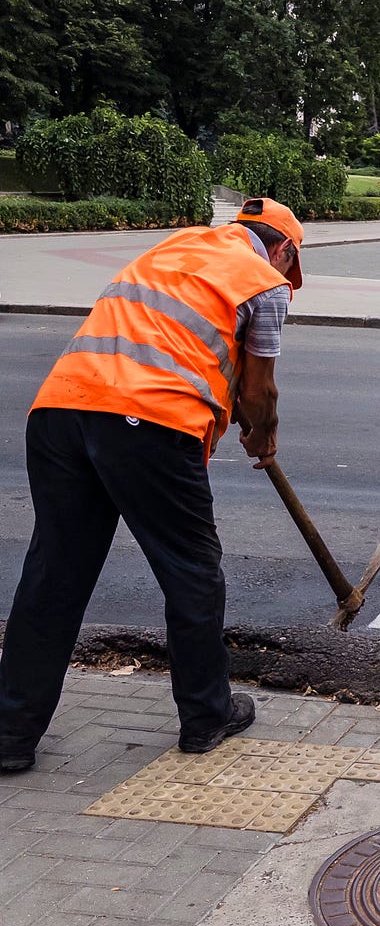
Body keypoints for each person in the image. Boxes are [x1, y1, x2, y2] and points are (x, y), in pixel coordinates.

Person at [0, 198, 307, 773]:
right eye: (290, 269)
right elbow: (259, 391)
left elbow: (174, 345)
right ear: (285, 250)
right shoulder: (262, 282)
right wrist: (262, 439)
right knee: (191, 570)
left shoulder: (173, 249)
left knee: (54, 576)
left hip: (60, 410)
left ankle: (10, 734)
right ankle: (206, 715)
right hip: (148, 422)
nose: (286, 281)